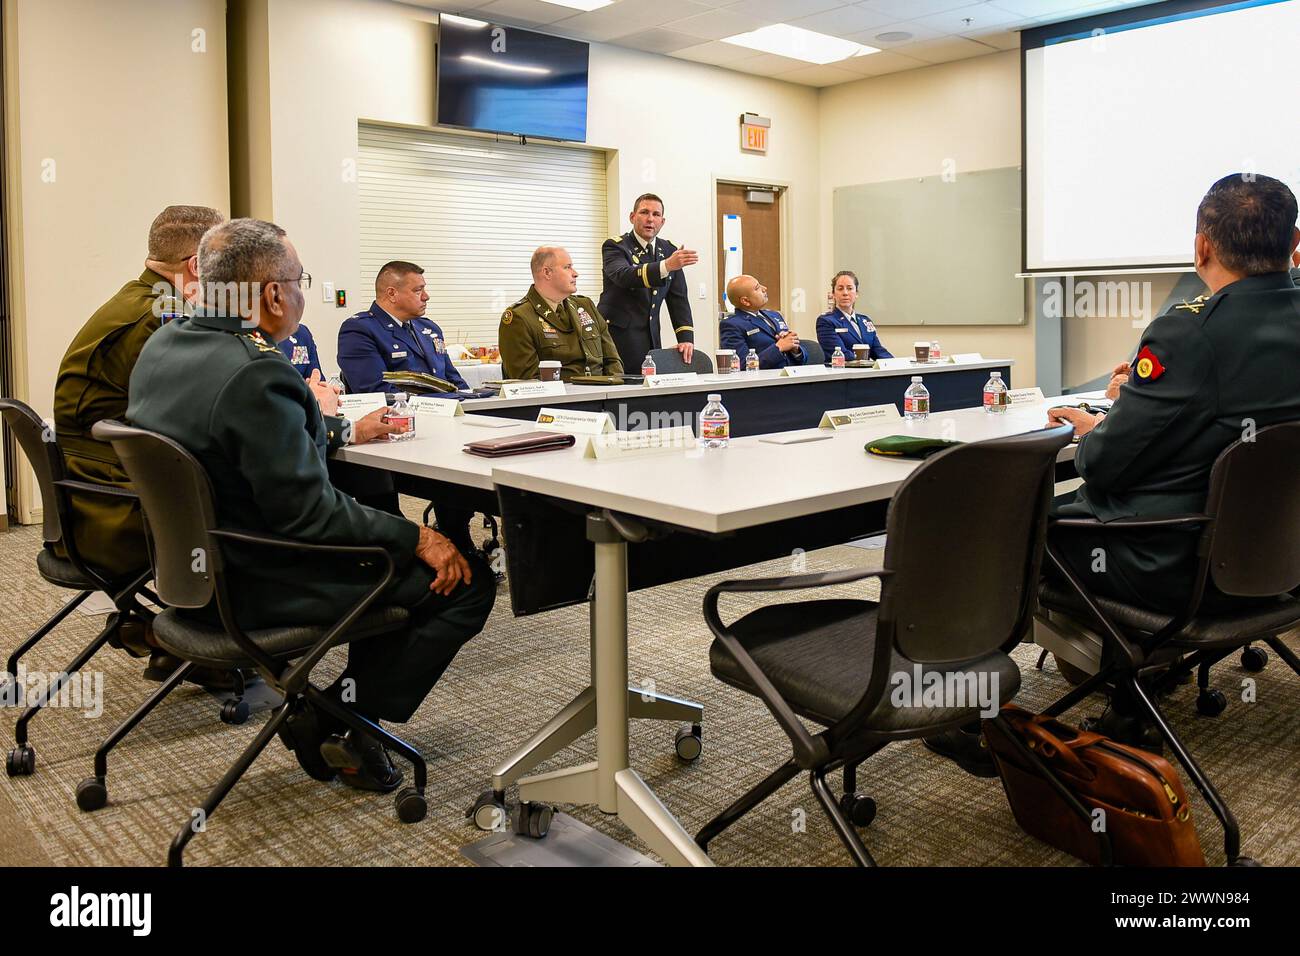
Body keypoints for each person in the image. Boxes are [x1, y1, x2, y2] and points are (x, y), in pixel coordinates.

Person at [127, 219, 495, 790]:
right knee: (463, 581)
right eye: (300, 280)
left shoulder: (167, 343)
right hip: (261, 578)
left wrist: (338, 430)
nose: (302, 291)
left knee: (397, 548)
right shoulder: (258, 369)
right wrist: (419, 537)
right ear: (274, 294)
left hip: (191, 572)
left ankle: (341, 714)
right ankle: (344, 718)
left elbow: (235, 435)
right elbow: (310, 516)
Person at [1046, 173, 1300, 615]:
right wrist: (1143, 403)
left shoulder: (1186, 334)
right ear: (1295, 241)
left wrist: (1095, 429)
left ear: (1201, 247)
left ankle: (1123, 666)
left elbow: (1103, 466)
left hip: (1174, 566)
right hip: (1279, 558)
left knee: (1018, 524)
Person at [52, 205, 226, 678]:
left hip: (87, 490)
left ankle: (176, 637)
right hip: (113, 504)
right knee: (253, 502)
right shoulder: (160, 317)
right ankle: (209, 641)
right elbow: (200, 421)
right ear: (196, 265)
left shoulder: (142, 300)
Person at [597, 193, 697, 372]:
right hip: (617, 337)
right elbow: (624, 276)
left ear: (662, 221)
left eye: (656, 214)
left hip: (650, 336)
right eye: (644, 212)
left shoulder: (669, 250)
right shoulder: (616, 246)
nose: (650, 219)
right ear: (632, 217)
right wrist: (666, 266)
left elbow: (678, 299)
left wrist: (686, 338)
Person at [337, 261, 469, 394]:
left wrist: (473, 399)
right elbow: (377, 391)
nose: (426, 297)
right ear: (392, 294)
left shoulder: (429, 328)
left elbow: (454, 381)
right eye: (418, 291)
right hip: (404, 412)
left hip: (449, 409)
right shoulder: (360, 330)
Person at [499, 246, 623, 380]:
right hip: (560, 398)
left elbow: (613, 362)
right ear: (547, 273)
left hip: (602, 394)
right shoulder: (520, 317)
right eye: (567, 267)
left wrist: (614, 390)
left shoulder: (585, 306)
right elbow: (527, 381)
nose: (575, 273)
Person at [719, 275, 809, 369]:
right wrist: (779, 347)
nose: (764, 288)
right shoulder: (732, 324)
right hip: (765, 381)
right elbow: (741, 365)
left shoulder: (774, 315)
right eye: (757, 288)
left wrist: (795, 349)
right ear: (745, 300)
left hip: (793, 376)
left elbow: (800, 358)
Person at [815, 270, 892, 361]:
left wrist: (896, 363)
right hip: (842, 372)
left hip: (865, 372)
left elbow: (878, 350)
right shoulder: (826, 321)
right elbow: (841, 355)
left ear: (856, 294)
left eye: (850, 288)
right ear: (833, 294)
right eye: (840, 289)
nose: (845, 293)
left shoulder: (865, 321)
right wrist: (865, 361)